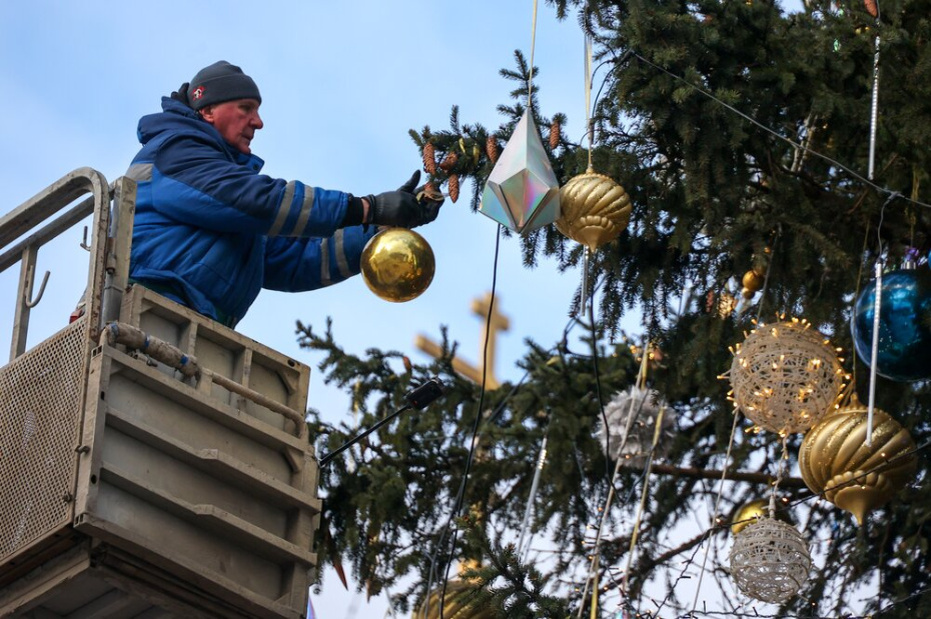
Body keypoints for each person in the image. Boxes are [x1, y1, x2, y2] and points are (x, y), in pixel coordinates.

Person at [125, 60, 442, 328]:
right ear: (208, 111)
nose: (258, 122)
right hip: (143, 312)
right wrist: (367, 208)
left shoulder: (234, 212)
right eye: (246, 108)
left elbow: (303, 258)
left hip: (189, 326)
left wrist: (380, 227)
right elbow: (257, 200)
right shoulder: (176, 150)